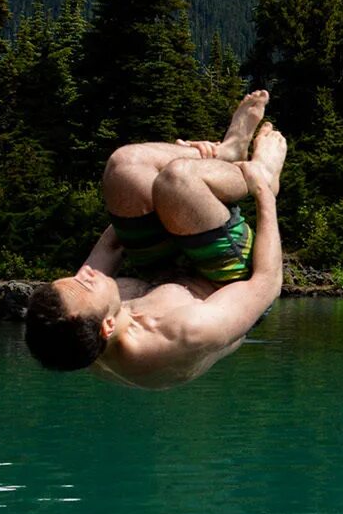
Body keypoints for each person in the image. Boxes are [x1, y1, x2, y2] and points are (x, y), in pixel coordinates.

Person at [23, 91, 289, 389]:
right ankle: (262, 172)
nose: (84, 272)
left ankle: (225, 153)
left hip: (163, 269)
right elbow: (268, 282)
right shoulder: (187, 332)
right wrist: (265, 193)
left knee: (123, 166)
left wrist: (147, 205)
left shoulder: (79, 321)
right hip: (229, 281)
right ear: (107, 326)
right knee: (178, 178)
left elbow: (114, 241)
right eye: (86, 283)